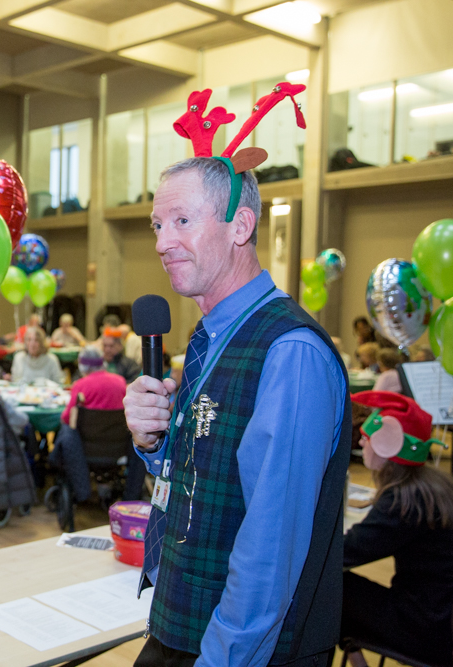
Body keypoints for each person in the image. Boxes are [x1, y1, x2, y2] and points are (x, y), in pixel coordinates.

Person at [123, 155, 348, 667]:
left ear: (240, 226)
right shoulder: (213, 334)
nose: (161, 242)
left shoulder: (289, 351)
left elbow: (270, 549)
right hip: (179, 623)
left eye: (182, 221)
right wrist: (151, 440)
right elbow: (205, 468)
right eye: (158, 225)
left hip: (233, 649)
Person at [341, 391, 453, 666]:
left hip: (428, 629)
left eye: (366, 440)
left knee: (331, 584)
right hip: (441, 614)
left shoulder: (404, 501)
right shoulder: (433, 486)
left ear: (387, 444)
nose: (361, 445)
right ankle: (354, 655)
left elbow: (347, 552)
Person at [51, 347, 141, 502]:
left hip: (86, 447)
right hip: (117, 446)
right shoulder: (119, 382)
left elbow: (66, 418)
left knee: (66, 431)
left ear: (82, 365)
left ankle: (77, 487)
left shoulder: (80, 385)